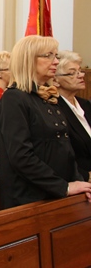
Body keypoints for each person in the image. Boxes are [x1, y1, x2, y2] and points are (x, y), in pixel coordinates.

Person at [0, 37, 91, 208]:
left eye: (56, 56)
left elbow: (65, 148)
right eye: (48, 56)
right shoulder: (14, 98)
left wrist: (79, 183)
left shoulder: (46, 96)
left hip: (57, 193)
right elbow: (21, 156)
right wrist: (63, 187)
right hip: (31, 198)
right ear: (28, 59)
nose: (55, 61)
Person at [54, 51, 91, 181]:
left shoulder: (86, 104)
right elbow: (61, 156)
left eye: (80, 71)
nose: (81, 75)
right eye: (72, 73)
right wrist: (86, 176)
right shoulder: (54, 108)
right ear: (55, 80)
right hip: (77, 180)